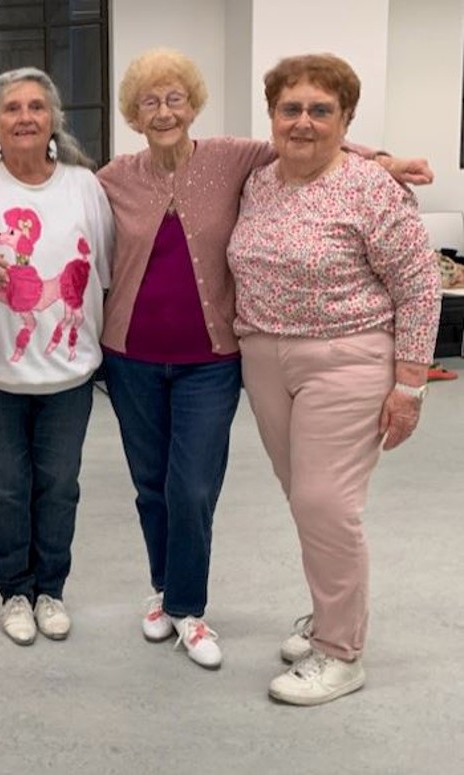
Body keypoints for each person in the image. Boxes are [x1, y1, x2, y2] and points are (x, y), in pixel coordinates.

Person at [96, 48, 432, 670]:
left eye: (175, 99)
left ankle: (204, 611)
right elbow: (300, 143)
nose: (164, 112)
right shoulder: (119, 177)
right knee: (160, 487)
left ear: (194, 106)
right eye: (149, 102)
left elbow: (314, 145)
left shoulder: (234, 160)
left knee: (206, 488)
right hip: (155, 356)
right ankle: (169, 591)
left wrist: (382, 161)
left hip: (233, 358)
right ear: (132, 114)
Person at [227, 53, 438, 706]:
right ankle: (327, 616)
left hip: (347, 357)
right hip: (265, 358)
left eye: (321, 110)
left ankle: (342, 652)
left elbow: (420, 285)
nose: (304, 122)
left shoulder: (372, 189)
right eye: (290, 108)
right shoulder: (259, 181)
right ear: (272, 115)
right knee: (305, 500)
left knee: (326, 503)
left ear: (345, 119)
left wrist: (409, 386)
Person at [0, 67, 114, 647]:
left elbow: (104, 272)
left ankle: (51, 590)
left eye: (36, 107)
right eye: (12, 108)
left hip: (68, 378)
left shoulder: (84, 185)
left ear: (54, 121)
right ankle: (14, 592)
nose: (25, 117)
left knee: (59, 486)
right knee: (1, 489)